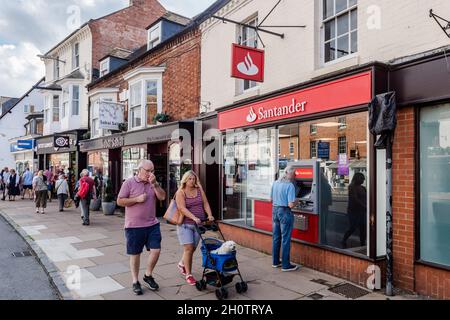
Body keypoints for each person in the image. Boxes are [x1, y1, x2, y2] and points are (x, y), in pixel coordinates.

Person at [117, 160, 166, 296]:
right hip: (134, 226)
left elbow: (162, 196)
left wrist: (155, 184)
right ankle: (135, 281)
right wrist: (136, 199)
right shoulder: (129, 183)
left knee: (156, 250)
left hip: (152, 224)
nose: (150, 173)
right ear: (139, 170)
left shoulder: (153, 183)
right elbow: (120, 201)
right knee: (135, 254)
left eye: (152, 171)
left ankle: (148, 275)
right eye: (147, 171)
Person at [175, 171, 215, 286]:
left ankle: (182, 263)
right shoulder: (181, 192)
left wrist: (209, 215)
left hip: (199, 225)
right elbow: (182, 208)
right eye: (190, 179)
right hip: (185, 225)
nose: (192, 181)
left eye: (194, 179)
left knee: (192, 249)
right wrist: (193, 217)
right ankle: (189, 275)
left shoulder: (199, 190)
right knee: (188, 248)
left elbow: (205, 203)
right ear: (185, 180)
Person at [270, 166, 299, 272]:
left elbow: (270, 199)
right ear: (289, 174)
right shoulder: (290, 185)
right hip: (285, 212)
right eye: (294, 174)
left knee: (276, 237)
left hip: (275, 211)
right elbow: (291, 205)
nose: (295, 176)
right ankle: (286, 265)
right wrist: (298, 201)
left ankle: (275, 261)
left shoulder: (275, 183)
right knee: (285, 239)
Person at [342, 173, 367, 249]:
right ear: (357, 179)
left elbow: (366, 198)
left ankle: (362, 243)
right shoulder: (352, 187)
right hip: (353, 211)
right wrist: (364, 206)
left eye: (363, 179)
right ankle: (344, 240)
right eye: (362, 178)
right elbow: (355, 199)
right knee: (352, 227)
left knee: (363, 227)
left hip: (362, 211)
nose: (363, 180)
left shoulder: (363, 188)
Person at [319, 171, 333, 245]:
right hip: (325, 206)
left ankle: (322, 241)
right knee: (323, 225)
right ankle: (324, 241)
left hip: (320, 206)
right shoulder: (326, 184)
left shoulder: (320, 184)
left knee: (321, 225)